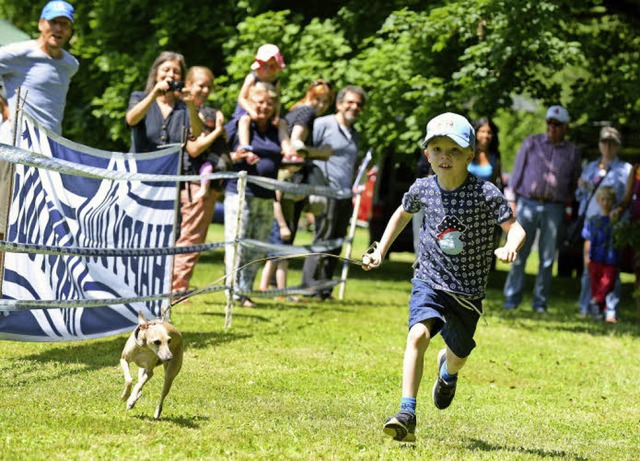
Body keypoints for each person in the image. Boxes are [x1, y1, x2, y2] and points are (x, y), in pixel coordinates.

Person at [362, 112, 525, 442]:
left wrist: (511, 245)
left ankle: (447, 373)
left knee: (459, 355)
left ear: (470, 154)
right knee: (417, 337)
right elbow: (401, 215)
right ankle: (407, 413)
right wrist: (380, 249)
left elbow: (516, 228)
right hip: (429, 279)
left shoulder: (486, 193)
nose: (444, 157)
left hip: (467, 291)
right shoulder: (422, 187)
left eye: (453, 150)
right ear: (427, 155)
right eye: (437, 149)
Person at [258, 79, 335, 297]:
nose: (320, 105)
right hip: (289, 177)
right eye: (317, 98)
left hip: (285, 176)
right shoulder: (306, 112)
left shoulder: (295, 109)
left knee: (281, 237)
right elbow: (296, 145)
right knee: (284, 236)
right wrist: (321, 153)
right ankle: (276, 289)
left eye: (325, 101)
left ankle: (274, 287)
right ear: (310, 95)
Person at [503, 105, 581, 313]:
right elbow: (516, 174)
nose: (552, 127)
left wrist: (568, 207)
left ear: (565, 127)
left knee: (547, 259)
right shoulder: (531, 143)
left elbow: (573, 184)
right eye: (549, 123)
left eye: (557, 125)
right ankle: (511, 300)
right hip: (527, 202)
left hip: (555, 207)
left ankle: (540, 303)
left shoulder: (573, 152)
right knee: (518, 253)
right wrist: (511, 201)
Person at [224, 82, 292, 308]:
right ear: (251, 103)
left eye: (269, 103)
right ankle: (232, 292)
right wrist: (239, 155)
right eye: (259, 102)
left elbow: (287, 149)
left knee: (256, 246)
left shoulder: (277, 127)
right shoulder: (241, 124)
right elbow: (223, 155)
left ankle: (244, 292)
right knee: (237, 243)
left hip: (266, 196)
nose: (264, 107)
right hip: (241, 193)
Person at [301, 85, 367, 300]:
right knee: (323, 237)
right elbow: (305, 151)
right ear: (339, 103)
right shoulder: (323, 124)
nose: (354, 107)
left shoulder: (354, 134)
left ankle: (325, 289)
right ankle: (309, 287)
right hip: (324, 188)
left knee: (337, 241)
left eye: (358, 104)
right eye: (350, 102)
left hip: (345, 193)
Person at [171, 66, 229, 295]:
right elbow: (194, 149)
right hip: (193, 183)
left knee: (194, 239)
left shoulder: (211, 113)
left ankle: (177, 286)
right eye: (200, 85)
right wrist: (218, 132)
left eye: (208, 86)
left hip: (210, 183)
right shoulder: (183, 112)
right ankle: (177, 290)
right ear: (188, 84)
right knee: (190, 239)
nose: (204, 90)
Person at [575, 126, 630, 319]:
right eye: (604, 142)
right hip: (593, 224)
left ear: (617, 146)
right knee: (589, 266)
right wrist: (581, 186)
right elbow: (580, 196)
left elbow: (629, 198)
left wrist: (620, 214)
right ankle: (586, 307)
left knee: (612, 269)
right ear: (599, 144)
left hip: (614, 226)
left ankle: (610, 310)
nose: (607, 146)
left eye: (612, 143)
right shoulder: (590, 167)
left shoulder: (625, 169)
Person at [0, 1, 78, 135]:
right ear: (41, 24)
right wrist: (4, 108)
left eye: (65, 24)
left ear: (70, 31)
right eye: (54, 21)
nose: (59, 28)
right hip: (16, 140)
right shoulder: (20, 52)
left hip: (51, 144)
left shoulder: (71, 64)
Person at [125, 51, 202, 154]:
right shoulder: (139, 97)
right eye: (166, 70)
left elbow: (196, 134)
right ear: (156, 74)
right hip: (140, 167)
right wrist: (153, 94)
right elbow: (131, 120)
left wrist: (191, 106)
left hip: (171, 168)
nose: (170, 75)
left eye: (176, 72)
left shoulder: (184, 106)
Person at [469, 117, 504, 268]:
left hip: (484, 206)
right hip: (463, 200)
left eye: (489, 132)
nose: (486, 135)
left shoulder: (495, 157)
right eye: (482, 131)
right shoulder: (467, 152)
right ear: (476, 133)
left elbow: (496, 182)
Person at [582, 186, 619, 322]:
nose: (606, 203)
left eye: (609, 200)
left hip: (610, 259)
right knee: (595, 284)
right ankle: (598, 312)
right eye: (603, 199)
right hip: (595, 258)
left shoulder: (615, 221)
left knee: (607, 282)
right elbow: (588, 240)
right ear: (598, 200)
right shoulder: (593, 221)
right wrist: (587, 256)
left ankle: (595, 301)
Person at [612, 163, 640, 324]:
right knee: (639, 270)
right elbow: (627, 199)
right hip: (637, 228)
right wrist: (617, 210)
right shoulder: (636, 170)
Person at [233, 44, 285, 121]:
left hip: (267, 112)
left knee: (282, 123)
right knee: (245, 120)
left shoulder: (275, 80)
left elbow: (277, 100)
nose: (268, 70)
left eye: (272, 67)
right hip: (247, 111)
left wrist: (276, 115)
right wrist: (251, 112)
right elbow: (241, 98)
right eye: (265, 66)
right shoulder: (252, 77)